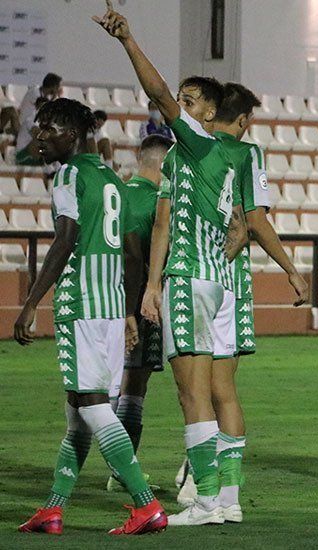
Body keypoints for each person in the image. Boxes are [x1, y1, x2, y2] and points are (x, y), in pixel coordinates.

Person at [95, 5, 250, 526]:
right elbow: (185, 225)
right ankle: (227, 499)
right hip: (208, 279)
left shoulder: (200, 144)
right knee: (207, 389)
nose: (176, 106)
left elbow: (157, 93)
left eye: (189, 102)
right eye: (180, 101)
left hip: (192, 280)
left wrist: (128, 41)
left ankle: (205, 501)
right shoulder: (197, 159)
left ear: (208, 114)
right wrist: (152, 284)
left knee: (190, 394)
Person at [13, 98, 167, 535]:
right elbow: (132, 253)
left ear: (75, 133)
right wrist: (127, 311)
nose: (40, 136)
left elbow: (65, 240)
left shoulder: (69, 174)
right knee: (78, 410)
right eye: (39, 127)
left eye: (51, 127)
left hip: (80, 304)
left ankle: (146, 504)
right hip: (109, 306)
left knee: (91, 404)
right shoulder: (109, 177)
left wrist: (31, 302)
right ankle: (54, 507)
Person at [176, 82, 310, 520]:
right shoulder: (249, 154)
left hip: (197, 270)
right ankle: (227, 497)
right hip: (231, 281)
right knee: (222, 389)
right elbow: (255, 222)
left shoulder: (191, 149)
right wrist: (291, 269)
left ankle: (202, 483)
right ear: (245, 120)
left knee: (196, 389)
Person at [104, 134, 173, 496]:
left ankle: (114, 466)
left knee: (102, 389)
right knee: (134, 389)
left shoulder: (115, 193)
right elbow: (144, 260)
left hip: (101, 302)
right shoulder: (158, 202)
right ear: (163, 165)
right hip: (136, 305)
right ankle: (122, 469)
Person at [14, 72, 62, 166]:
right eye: (57, 87)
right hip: (22, 127)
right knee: (42, 140)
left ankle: (53, 168)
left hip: (31, 131)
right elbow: (38, 134)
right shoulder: (34, 94)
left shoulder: (43, 97)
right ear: (53, 86)